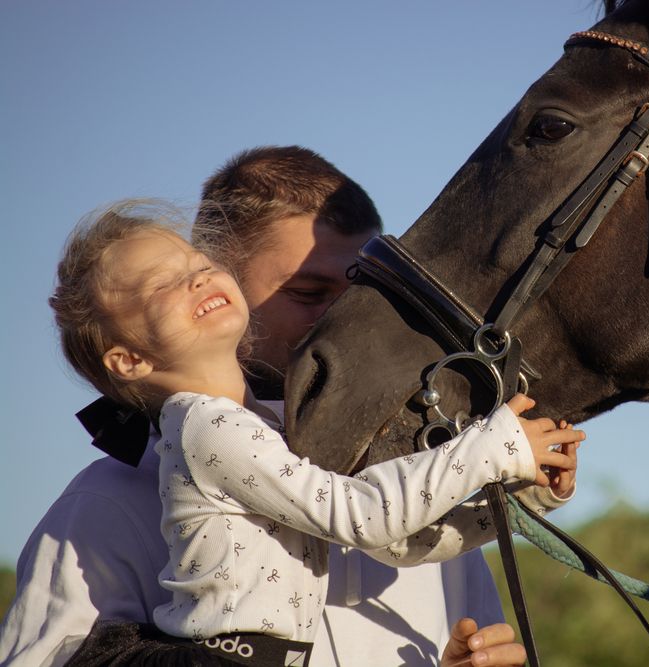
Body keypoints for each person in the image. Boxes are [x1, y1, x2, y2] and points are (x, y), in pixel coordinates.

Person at [0, 148, 573, 667]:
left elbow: (396, 534)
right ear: (229, 289)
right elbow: (363, 514)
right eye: (309, 293)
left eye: (365, 296)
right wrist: (494, 447)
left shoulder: (414, 476)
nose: (348, 324)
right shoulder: (103, 508)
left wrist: (522, 494)